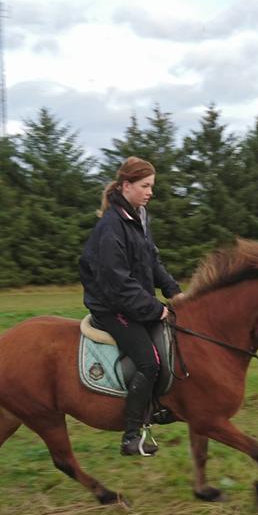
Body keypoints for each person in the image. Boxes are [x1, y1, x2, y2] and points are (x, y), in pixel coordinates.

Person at [79, 157, 184, 456]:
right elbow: (118, 282)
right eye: (145, 186)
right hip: (112, 307)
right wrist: (154, 308)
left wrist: (173, 292)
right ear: (126, 186)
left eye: (152, 186)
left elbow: (151, 259)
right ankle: (131, 435)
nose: (150, 192)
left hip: (133, 303)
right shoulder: (111, 227)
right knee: (149, 362)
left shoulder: (140, 215)